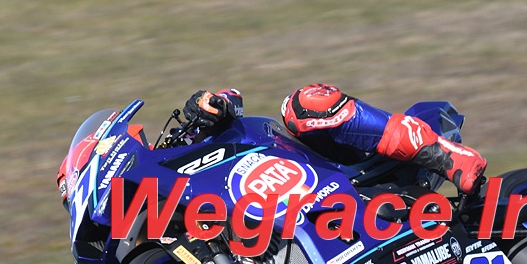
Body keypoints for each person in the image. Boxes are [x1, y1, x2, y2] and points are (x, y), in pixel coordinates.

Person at [185, 83, 487, 194]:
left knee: (302, 105)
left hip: (332, 175)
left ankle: (447, 157)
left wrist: (212, 106)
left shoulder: (183, 147)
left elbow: (231, 100)